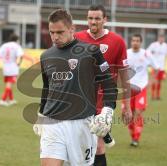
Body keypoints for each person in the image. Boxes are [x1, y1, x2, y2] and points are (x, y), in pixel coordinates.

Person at [33, 9, 118, 166]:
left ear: (71, 29)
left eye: (60, 32)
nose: (55, 37)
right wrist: (41, 114)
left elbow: (109, 85)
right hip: (53, 124)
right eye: (52, 32)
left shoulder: (91, 51)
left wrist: (107, 111)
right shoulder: (46, 56)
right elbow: (47, 89)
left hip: (81, 124)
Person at [75, 4, 131, 166]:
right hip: (80, 101)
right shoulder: (76, 38)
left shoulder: (117, 41)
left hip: (104, 103)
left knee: (99, 147)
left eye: (97, 18)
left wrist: (126, 106)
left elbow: (124, 75)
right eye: (90, 18)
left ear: (105, 20)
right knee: (80, 147)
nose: (93, 22)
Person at [122, 34, 158, 147]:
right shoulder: (126, 53)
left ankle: (136, 138)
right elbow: (120, 69)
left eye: (137, 41)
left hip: (141, 88)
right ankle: (133, 136)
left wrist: (151, 82)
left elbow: (156, 68)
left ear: (141, 42)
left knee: (138, 112)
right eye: (133, 40)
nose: (135, 42)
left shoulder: (146, 53)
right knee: (128, 114)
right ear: (131, 42)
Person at [0, 33, 24, 106]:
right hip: (13, 67)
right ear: (17, 40)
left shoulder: (4, 45)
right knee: (9, 84)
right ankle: (3, 100)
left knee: (9, 83)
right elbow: (21, 56)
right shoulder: (17, 46)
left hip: (5, 67)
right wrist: (19, 63)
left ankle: (11, 100)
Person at [147, 33, 167, 100]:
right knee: (154, 80)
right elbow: (147, 52)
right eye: (160, 38)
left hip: (162, 67)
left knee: (159, 81)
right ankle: (153, 95)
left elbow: (166, 55)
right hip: (154, 66)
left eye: (162, 38)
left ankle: (158, 95)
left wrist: (165, 65)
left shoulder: (166, 46)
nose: (161, 39)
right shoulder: (153, 45)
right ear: (158, 38)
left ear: (164, 39)